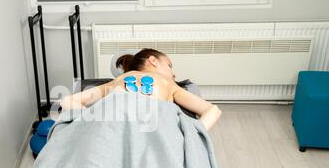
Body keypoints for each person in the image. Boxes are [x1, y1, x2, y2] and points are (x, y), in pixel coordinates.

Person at [60, 48, 222, 131]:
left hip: (138, 125)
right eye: (170, 66)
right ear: (153, 61)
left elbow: (69, 101)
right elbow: (212, 110)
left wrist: (89, 122)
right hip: (116, 124)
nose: (174, 74)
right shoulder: (168, 84)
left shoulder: (119, 80)